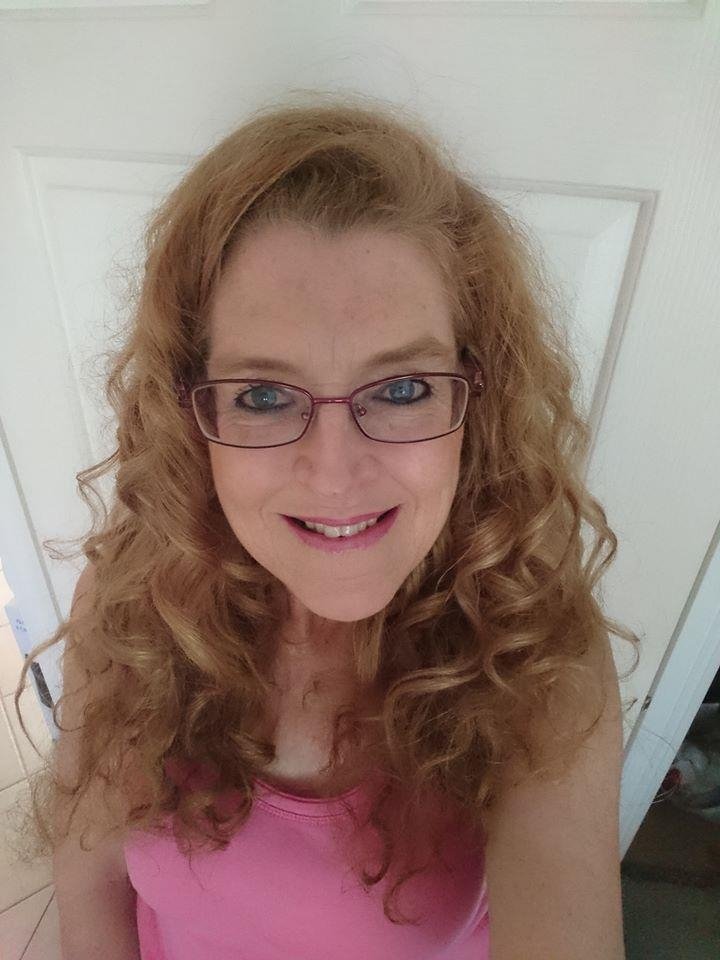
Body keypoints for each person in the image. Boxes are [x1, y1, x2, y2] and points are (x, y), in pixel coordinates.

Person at [12, 93, 639, 960]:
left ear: (480, 398)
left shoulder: (536, 651)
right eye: (264, 395)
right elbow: (89, 890)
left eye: (403, 388)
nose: (335, 474)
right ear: (190, 412)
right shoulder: (126, 602)